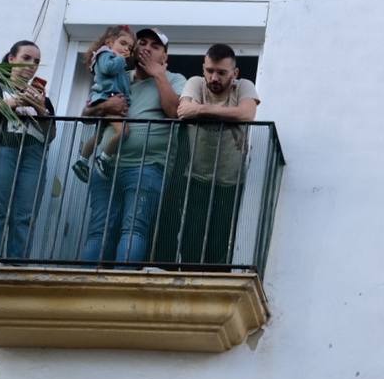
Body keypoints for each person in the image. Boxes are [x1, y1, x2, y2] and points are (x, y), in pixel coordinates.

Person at [79, 27, 185, 264]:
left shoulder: (175, 80)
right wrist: (105, 108)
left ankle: (120, 287)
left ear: (165, 57)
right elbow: (86, 114)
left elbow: (174, 112)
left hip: (146, 167)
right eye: (143, 43)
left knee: (134, 228)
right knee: (98, 228)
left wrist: (159, 75)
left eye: (155, 46)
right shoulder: (119, 76)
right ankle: (88, 283)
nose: (146, 48)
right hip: (105, 166)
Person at [0, 40, 55, 259]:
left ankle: (17, 264)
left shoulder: (41, 97)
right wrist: (12, 102)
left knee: (25, 213)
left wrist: (40, 108)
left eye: (36, 61)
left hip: (33, 154)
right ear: (11, 59)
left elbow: (51, 135)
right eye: (26, 58)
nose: (32, 65)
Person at [174, 43, 260, 264]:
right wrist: (230, 120)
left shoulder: (244, 86)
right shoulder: (195, 83)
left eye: (222, 73)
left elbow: (247, 114)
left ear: (235, 73)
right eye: (210, 71)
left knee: (219, 244)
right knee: (190, 241)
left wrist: (200, 109)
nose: (214, 78)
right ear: (203, 69)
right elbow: (184, 112)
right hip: (195, 176)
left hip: (230, 181)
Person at [71, 25, 134, 182]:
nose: (126, 49)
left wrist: (127, 99)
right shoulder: (105, 54)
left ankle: (82, 161)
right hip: (106, 98)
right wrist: (120, 58)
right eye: (123, 43)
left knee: (98, 136)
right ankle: (104, 158)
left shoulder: (117, 61)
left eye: (130, 47)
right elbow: (107, 69)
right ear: (110, 42)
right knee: (123, 131)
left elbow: (124, 86)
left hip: (109, 98)